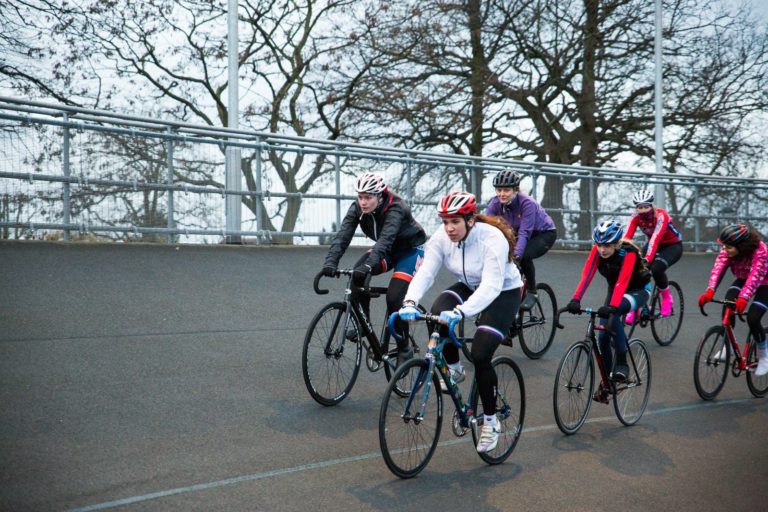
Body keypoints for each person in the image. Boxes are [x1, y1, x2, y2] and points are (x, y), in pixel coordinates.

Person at [397, 191, 523, 453]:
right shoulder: (442, 238)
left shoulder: (492, 239)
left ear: (470, 220)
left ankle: (490, 422)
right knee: (436, 312)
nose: (449, 228)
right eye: (445, 222)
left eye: (455, 222)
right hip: (469, 284)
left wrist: (462, 312)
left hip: (503, 291)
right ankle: (453, 368)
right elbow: (426, 273)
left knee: (480, 353)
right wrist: (409, 302)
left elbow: (490, 286)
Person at [321, 172, 427, 365]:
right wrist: (330, 262)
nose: (363, 202)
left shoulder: (396, 207)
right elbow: (343, 236)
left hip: (409, 252)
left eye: (368, 197)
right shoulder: (358, 208)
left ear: (380, 196)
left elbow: (386, 240)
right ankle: (364, 324)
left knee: (394, 297)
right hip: (386, 250)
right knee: (357, 273)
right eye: (360, 197)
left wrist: (370, 265)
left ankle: (404, 346)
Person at [566, 220, 652, 381]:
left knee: (614, 315)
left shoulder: (629, 253)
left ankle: (622, 364)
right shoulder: (596, 252)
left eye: (607, 246)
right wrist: (575, 299)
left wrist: (612, 306)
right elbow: (586, 277)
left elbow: (623, 281)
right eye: (599, 245)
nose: (602, 250)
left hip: (637, 290)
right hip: (615, 291)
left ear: (617, 244)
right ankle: (608, 381)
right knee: (603, 337)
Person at [697, 223, 768, 376]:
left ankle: (764, 356)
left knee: (753, 318)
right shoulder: (727, 251)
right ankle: (725, 347)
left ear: (741, 246)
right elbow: (718, 269)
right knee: (728, 305)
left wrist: (744, 297)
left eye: (728, 247)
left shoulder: (760, 251)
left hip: (765, 283)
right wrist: (710, 291)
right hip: (743, 278)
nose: (725, 250)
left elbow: (755, 277)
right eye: (724, 246)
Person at [485, 169, 556, 311]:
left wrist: (516, 255)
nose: (501, 194)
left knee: (523, 257)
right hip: (518, 234)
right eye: (499, 190)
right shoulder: (494, 203)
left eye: (506, 190)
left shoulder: (527, 203)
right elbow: (487, 230)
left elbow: (525, 233)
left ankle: (532, 291)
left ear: (515, 190)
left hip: (543, 234)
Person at [623, 189, 683, 323]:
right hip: (653, 244)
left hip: (672, 246)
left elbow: (655, 239)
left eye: (646, 207)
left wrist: (646, 261)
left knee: (656, 268)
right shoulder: (635, 217)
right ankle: (637, 306)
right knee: (635, 269)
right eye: (639, 207)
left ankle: (667, 299)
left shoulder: (661, 216)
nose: (643, 210)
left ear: (651, 205)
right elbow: (627, 239)